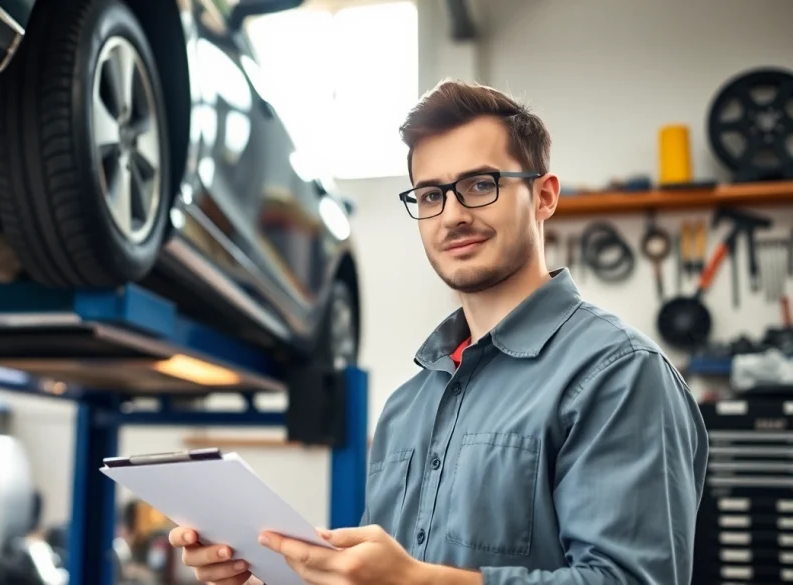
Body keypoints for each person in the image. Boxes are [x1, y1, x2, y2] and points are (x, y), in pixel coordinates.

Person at [167, 80, 709, 585]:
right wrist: (267, 574)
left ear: (544, 197)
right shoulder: (409, 403)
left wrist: (414, 581)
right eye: (429, 195)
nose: (451, 216)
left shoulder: (618, 374)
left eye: (479, 184)